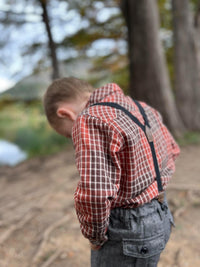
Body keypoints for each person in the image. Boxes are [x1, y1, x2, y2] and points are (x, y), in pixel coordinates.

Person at [43, 77, 180, 267]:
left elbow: (96, 193)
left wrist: (95, 236)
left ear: (65, 113)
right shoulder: (141, 107)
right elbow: (173, 150)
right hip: (161, 215)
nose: (72, 138)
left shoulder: (90, 119)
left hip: (128, 230)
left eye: (68, 134)